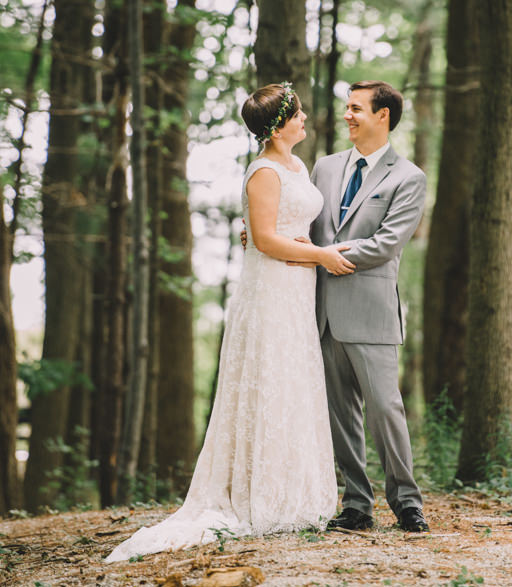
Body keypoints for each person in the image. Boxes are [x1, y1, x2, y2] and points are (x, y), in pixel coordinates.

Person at [105, 82, 354, 562]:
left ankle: (294, 493)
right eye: (298, 114)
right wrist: (320, 256)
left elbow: (287, 228)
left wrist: (314, 251)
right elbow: (263, 239)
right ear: (280, 125)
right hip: (272, 288)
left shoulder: (296, 166)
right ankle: (258, 496)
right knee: (269, 379)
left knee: (293, 383)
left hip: (298, 286)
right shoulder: (262, 171)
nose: (306, 119)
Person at [309, 80, 430, 534]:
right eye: (346, 107)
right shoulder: (323, 167)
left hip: (372, 313)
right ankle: (357, 506)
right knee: (341, 415)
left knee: (385, 410)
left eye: (356, 108)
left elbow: (386, 244)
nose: (347, 115)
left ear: (384, 115)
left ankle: (407, 504)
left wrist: (326, 254)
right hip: (322, 313)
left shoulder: (408, 177)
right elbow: (302, 224)